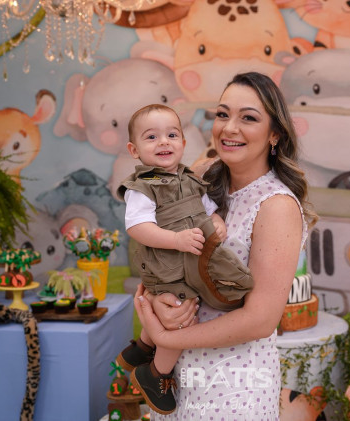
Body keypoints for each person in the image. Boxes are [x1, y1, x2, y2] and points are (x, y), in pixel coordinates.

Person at [134, 72, 318, 420]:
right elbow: (161, 251)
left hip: (233, 383)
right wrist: (158, 301)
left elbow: (260, 321)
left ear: (275, 134)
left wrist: (167, 339)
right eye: (222, 114)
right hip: (173, 377)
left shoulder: (276, 206)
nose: (229, 128)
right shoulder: (200, 174)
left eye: (248, 118)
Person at [115, 104, 255, 414]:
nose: (163, 142)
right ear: (134, 150)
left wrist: (216, 221)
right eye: (151, 137)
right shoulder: (142, 188)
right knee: (180, 318)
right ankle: (155, 374)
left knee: (177, 305)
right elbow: (138, 227)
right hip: (165, 266)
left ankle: (142, 348)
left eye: (171, 135)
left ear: (183, 142)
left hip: (187, 263)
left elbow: (206, 210)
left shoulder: (190, 178)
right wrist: (175, 240)